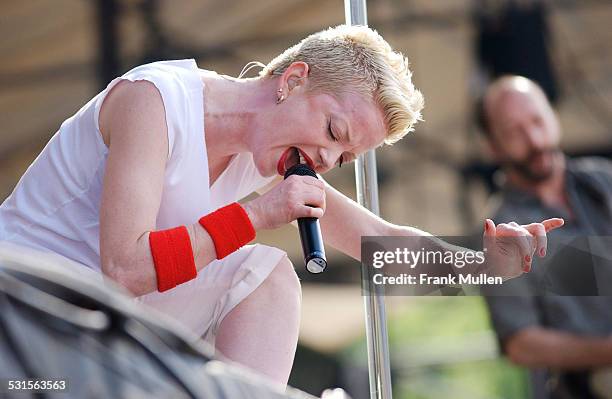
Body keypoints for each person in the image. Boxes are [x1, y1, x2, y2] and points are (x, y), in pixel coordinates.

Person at [0, 26, 561, 386]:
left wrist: (483, 264)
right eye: (332, 130)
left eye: (343, 156)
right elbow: (123, 268)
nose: (326, 156)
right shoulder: (154, 102)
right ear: (292, 80)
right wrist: (258, 216)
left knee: (268, 276)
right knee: (256, 261)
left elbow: (379, 240)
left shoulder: (267, 156)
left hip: (94, 333)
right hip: (22, 316)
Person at [480, 75, 612, 398]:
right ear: (493, 147)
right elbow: (521, 344)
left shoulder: (605, 178)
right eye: (514, 131)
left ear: (553, 117)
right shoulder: (501, 231)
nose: (534, 139)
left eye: (538, 120)